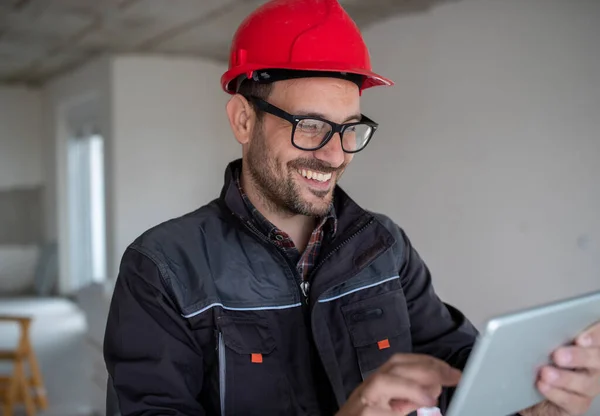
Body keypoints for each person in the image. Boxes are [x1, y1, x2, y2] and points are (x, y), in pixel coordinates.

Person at [103, 0, 600, 415]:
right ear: (243, 120)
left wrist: (530, 398)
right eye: (311, 126)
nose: (335, 154)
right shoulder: (162, 269)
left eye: (349, 129)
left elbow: (455, 368)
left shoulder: (383, 246)